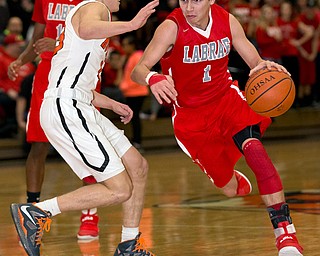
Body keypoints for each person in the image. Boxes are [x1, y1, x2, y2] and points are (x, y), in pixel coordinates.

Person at [131, 0, 304, 255]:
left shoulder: (227, 20)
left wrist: (264, 67)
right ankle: (231, 178)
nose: (189, 6)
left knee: (256, 151)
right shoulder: (171, 28)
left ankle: (285, 235)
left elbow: (254, 61)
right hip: (192, 119)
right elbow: (138, 69)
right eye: (184, 0)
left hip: (226, 100)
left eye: (196, 0)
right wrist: (152, 77)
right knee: (229, 189)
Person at [10, 0, 159, 256]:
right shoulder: (94, 7)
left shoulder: (97, 14)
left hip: (80, 102)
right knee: (121, 189)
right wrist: (133, 24)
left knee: (138, 165)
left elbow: (79, 81)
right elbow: (88, 29)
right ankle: (37, 211)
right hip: (66, 106)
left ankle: (128, 245)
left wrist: (111, 103)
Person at [7, 0, 103, 241]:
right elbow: (37, 41)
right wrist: (22, 60)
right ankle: (31, 212)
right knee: (38, 144)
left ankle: (89, 215)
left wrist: (60, 44)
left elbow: (100, 41)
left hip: (81, 75)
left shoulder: (94, 2)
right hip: (48, 74)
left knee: (86, 146)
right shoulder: (44, 1)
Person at [119, 35, 149, 150]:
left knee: (134, 117)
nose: (123, 47)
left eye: (125, 45)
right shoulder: (131, 56)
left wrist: (124, 86)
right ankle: (136, 140)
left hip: (137, 92)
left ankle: (137, 141)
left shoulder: (137, 56)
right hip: (131, 92)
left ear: (132, 45)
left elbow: (139, 77)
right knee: (133, 118)